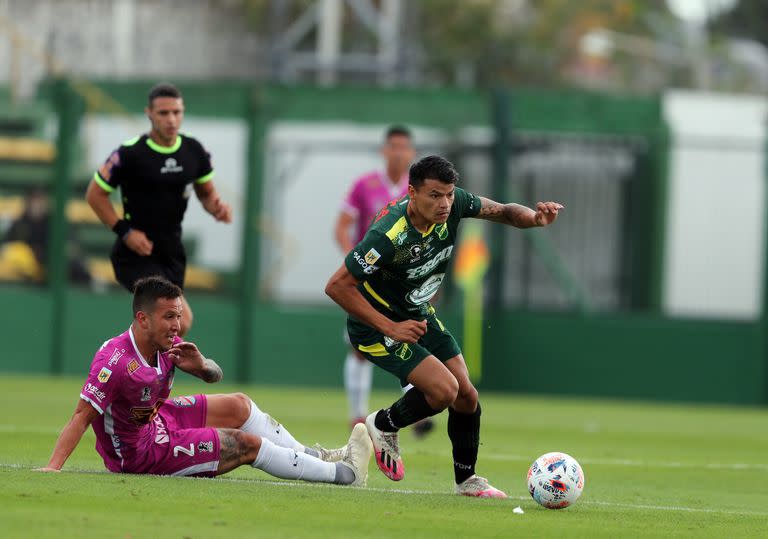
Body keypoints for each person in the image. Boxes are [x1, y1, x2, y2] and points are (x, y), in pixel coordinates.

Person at [325, 155, 563, 497]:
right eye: (435, 195)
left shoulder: (454, 206)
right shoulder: (389, 233)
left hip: (416, 312)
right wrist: (390, 328)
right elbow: (337, 286)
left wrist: (535, 219)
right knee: (443, 391)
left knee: (466, 395)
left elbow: (505, 211)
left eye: (449, 194)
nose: (445, 203)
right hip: (377, 325)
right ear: (412, 192)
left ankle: (467, 481)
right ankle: (381, 425)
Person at [36, 275, 372, 487]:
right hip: (140, 453)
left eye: (179, 316)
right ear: (142, 318)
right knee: (244, 444)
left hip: (158, 419)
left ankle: (320, 456)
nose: (177, 325)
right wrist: (53, 468)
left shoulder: (167, 347)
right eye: (169, 316)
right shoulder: (116, 362)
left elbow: (214, 376)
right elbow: (81, 416)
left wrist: (202, 366)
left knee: (239, 403)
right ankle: (345, 475)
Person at [86, 82, 232, 336]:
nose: (171, 119)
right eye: (164, 113)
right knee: (180, 320)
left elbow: (206, 193)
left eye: (177, 112)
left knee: (163, 327)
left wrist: (216, 208)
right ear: (149, 114)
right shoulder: (130, 153)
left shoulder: (193, 151)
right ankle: (121, 362)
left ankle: (138, 371)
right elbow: (95, 195)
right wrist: (126, 231)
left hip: (172, 251)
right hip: (136, 252)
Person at [333, 125, 433, 437]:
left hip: (406, 280)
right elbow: (342, 227)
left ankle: (413, 409)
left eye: (405, 147)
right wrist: (356, 264)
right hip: (370, 280)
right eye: (394, 146)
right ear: (384, 150)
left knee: (411, 338)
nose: (399, 152)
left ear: (413, 153)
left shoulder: (418, 190)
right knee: (360, 347)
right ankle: (357, 414)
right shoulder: (365, 185)